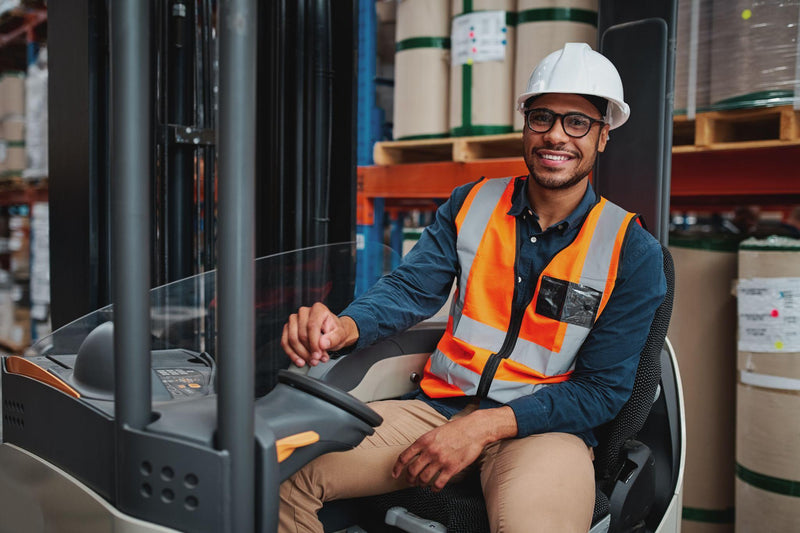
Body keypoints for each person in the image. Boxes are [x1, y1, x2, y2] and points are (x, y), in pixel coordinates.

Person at [279, 42, 666, 533]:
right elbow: (409, 290)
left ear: (602, 136)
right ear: (525, 124)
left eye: (577, 122)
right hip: (436, 408)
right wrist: (342, 327)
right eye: (542, 117)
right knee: (285, 476)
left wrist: (483, 426)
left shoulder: (632, 250)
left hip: (546, 432)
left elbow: (602, 390)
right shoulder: (472, 204)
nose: (556, 136)